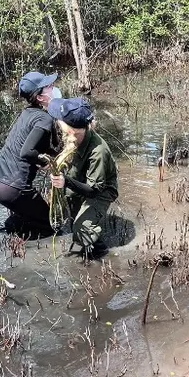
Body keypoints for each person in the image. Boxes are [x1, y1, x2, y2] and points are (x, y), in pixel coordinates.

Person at [0, 71, 63, 238]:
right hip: (11, 187)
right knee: (51, 227)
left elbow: (33, 146)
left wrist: (57, 155)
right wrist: (47, 163)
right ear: (40, 97)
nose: (53, 88)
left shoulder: (28, 113)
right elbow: (27, 152)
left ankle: (7, 239)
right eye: (49, 86)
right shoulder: (44, 119)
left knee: (27, 218)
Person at [48, 98, 118, 259]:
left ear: (71, 129)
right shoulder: (74, 138)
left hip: (102, 190)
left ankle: (101, 252)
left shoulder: (98, 151)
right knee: (72, 219)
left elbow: (94, 190)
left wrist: (66, 181)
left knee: (81, 230)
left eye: (61, 120)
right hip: (82, 180)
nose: (57, 121)